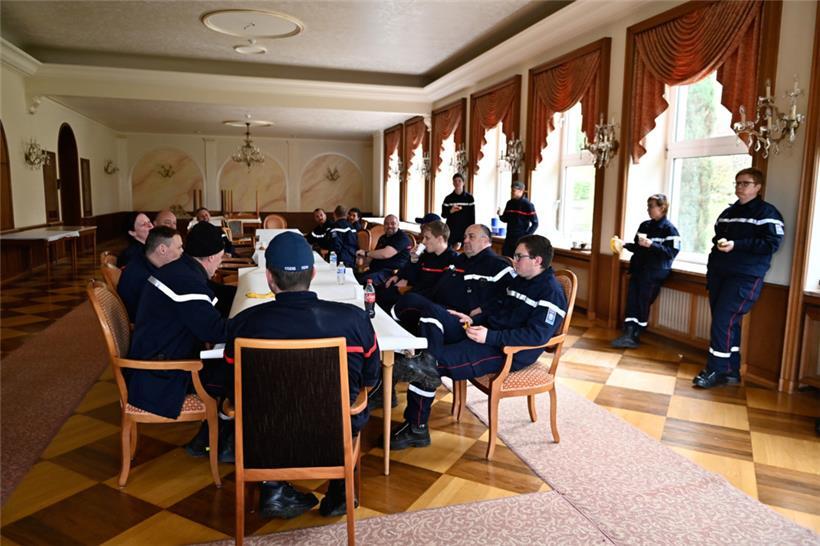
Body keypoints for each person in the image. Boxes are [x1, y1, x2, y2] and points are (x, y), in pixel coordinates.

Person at [224, 232, 380, 519]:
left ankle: (272, 487)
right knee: (353, 405)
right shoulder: (354, 319)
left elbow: (232, 382)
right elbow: (371, 378)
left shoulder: (243, 325)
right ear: (313, 274)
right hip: (335, 435)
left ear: (269, 278)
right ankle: (341, 489)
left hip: (266, 436)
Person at [389, 234, 567, 449]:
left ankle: (416, 425)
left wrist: (490, 336)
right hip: (486, 334)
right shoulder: (520, 280)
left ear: (537, 260)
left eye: (519, 256)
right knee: (431, 313)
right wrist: (473, 320)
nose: (514, 260)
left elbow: (537, 336)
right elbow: (498, 308)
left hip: (508, 351)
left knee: (427, 365)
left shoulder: (551, 292)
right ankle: (419, 362)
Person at [126, 222, 229, 420]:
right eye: (221, 257)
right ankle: (223, 428)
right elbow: (213, 330)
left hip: (163, 360)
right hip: (161, 378)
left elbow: (211, 292)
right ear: (211, 257)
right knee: (242, 374)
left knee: (232, 364)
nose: (220, 263)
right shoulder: (185, 279)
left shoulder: (182, 269)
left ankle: (221, 425)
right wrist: (254, 320)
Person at [694, 168, 784, 389]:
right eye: (737, 183)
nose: (739, 187)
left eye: (745, 183)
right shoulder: (727, 213)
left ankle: (716, 369)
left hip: (745, 276)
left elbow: (771, 244)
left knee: (723, 321)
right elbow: (717, 237)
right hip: (719, 274)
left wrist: (737, 245)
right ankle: (731, 370)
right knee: (727, 323)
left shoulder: (767, 213)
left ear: (758, 187)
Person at [391, 223, 514, 331]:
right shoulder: (461, 260)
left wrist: (483, 309)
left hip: (464, 320)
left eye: (471, 237)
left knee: (415, 303)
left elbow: (510, 295)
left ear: (485, 240)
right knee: (408, 301)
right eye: (465, 237)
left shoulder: (497, 264)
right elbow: (438, 285)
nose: (465, 240)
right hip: (440, 306)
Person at [611, 194, 680, 348]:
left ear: (662, 207)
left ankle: (635, 335)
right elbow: (638, 247)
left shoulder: (670, 229)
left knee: (642, 303)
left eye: (651, 206)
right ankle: (628, 333)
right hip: (638, 269)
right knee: (632, 301)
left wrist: (652, 245)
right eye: (647, 206)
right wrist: (624, 245)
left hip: (653, 273)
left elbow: (671, 252)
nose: (648, 209)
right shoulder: (644, 226)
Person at [376, 220, 457, 312]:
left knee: (388, 300)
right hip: (413, 293)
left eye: (427, 238)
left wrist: (408, 290)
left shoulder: (452, 260)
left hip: (428, 301)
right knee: (379, 291)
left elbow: (440, 290)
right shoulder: (426, 255)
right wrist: (413, 260)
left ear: (440, 239)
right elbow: (411, 277)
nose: (423, 242)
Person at [117, 226, 183, 322]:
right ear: (162, 249)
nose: (182, 251)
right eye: (179, 247)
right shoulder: (147, 279)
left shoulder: (141, 261)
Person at [355, 214, 412, 286]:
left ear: (398, 225)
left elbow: (386, 254)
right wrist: (363, 262)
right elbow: (373, 255)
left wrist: (366, 253)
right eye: (386, 224)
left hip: (390, 273)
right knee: (354, 278)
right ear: (384, 226)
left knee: (363, 282)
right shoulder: (383, 237)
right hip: (375, 270)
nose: (389, 226)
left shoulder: (402, 238)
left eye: (393, 223)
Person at [498, 180, 538, 258]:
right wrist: (500, 215)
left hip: (520, 239)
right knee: (505, 259)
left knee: (517, 261)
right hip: (509, 238)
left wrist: (526, 236)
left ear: (521, 191)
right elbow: (505, 219)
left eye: (514, 190)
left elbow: (535, 223)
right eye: (511, 190)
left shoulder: (528, 205)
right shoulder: (509, 203)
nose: (512, 192)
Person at [441, 173, 475, 249]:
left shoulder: (469, 198)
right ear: (453, 183)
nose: (457, 183)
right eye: (455, 181)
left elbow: (472, 216)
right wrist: (450, 211)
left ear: (463, 182)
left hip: (465, 231)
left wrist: (471, 231)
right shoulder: (448, 198)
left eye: (459, 181)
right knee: (450, 252)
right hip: (451, 231)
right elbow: (443, 215)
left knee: (465, 252)